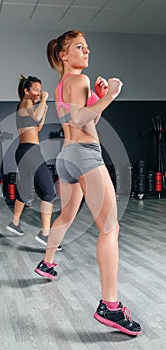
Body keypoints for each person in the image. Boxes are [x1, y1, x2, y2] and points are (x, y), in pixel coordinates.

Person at [34, 30, 141, 336]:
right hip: (84, 154)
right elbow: (82, 121)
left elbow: (82, 115)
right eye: (79, 47)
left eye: (87, 47)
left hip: (67, 156)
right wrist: (109, 95)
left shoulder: (64, 85)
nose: (87, 51)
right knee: (110, 228)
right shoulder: (77, 79)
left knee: (67, 215)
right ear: (63, 55)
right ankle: (110, 305)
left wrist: (96, 95)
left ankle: (47, 263)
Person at [6, 74, 62, 250]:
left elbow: (37, 127)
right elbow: (36, 118)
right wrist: (44, 100)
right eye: (36, 90)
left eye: (40, 90)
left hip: (24, 150)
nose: (39, 93)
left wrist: (43, 111)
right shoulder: (27, 103)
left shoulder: (25, 107)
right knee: (49, 191)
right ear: (26, 91)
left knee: (24, 189)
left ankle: (14, 223)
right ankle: (45, 235)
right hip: (30, 151)